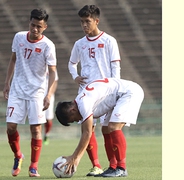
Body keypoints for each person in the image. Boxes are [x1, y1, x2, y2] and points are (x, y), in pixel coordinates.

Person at [68, 4, 122, 176]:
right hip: (86, 93)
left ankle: (113, 166)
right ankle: (96, 165)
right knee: (88, 129)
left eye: (88, 21)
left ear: (96, 21)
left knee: (107, 128)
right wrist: (75, 76)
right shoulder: (79, 44)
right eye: (82, 22)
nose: (84, 25)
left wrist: (116, 87)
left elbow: (116, 66)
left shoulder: (109, 41)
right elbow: (71, 63)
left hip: (106, 92)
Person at [3, 8, 57, 177]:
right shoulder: (19, 37)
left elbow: (54, 72)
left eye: (39, 27)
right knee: (11, 127)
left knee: (36, 130)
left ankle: (34, 165)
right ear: (29, 23)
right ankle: (18, 155)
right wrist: (7, 83)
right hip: (17, 90)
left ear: (45, 27)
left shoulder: (48, 45)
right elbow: (13, 60)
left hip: (36, 93)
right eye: (33, 25)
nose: (35, 29)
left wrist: (48, 95)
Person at [55, 78, 144, 177]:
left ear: (72, 110)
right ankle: (113, 167)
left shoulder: (84, 103)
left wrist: (74, 158)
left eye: (73, 120)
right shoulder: (80, 101)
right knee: (105, 129)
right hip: (118, 96)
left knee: (113, 127)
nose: (77, 121)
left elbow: (87, 133)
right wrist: (76, 158)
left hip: (129, 92)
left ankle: (121, 168)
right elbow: (85, 132)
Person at [43, 70, 58, 145]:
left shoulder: (51, 67)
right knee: (36, 118)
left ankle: (46, 134)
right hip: (37, 95)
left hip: (49, 97)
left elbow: (55, 82)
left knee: (48, 119)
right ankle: (37, 136)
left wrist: (50, 94)